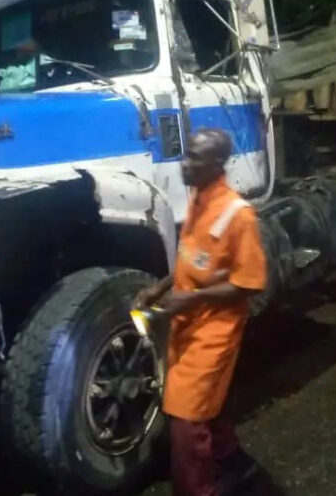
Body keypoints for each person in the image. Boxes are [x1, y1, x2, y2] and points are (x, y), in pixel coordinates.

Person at [135, 128, 267, 496]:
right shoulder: (199, 198)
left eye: (195, 157)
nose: (185, 163)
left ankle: (198, 488)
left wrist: (189, 300)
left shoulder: (238, 215)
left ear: (217, 163)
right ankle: (232, 460)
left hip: (216, 328)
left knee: (186, 417)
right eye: (187, 155)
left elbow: (249, 283)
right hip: (187, 322)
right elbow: (191, 259)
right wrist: (160, 287)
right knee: (208, 399)